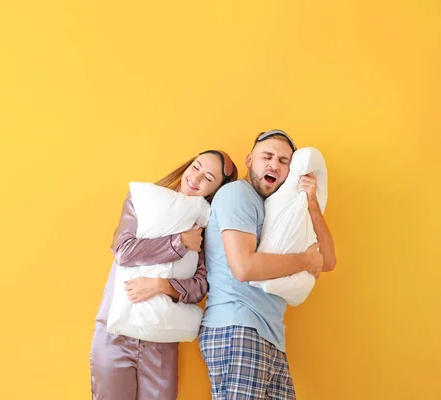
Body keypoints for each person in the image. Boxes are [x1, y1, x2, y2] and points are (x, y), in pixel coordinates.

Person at [199, 130, 337, 399]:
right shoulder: (237, 195)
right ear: (250, 160)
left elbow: (328, 261)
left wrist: (312, 205)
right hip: (238, 327)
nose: (275, 164)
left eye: (284, 161)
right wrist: (305, 261)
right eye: (267, 156)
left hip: (269, 334)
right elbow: (244, 268)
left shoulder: (277, 210)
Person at [91, 150, 238, 400]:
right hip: (114, 333)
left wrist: (161, 285)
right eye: (196, 166)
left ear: (213, 192)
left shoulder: (204, 228)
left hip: (161, 339)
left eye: (208, 177)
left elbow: (200, 286)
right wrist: (179, 242)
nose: (196, 177)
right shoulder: (142, 201)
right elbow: (124, 251)